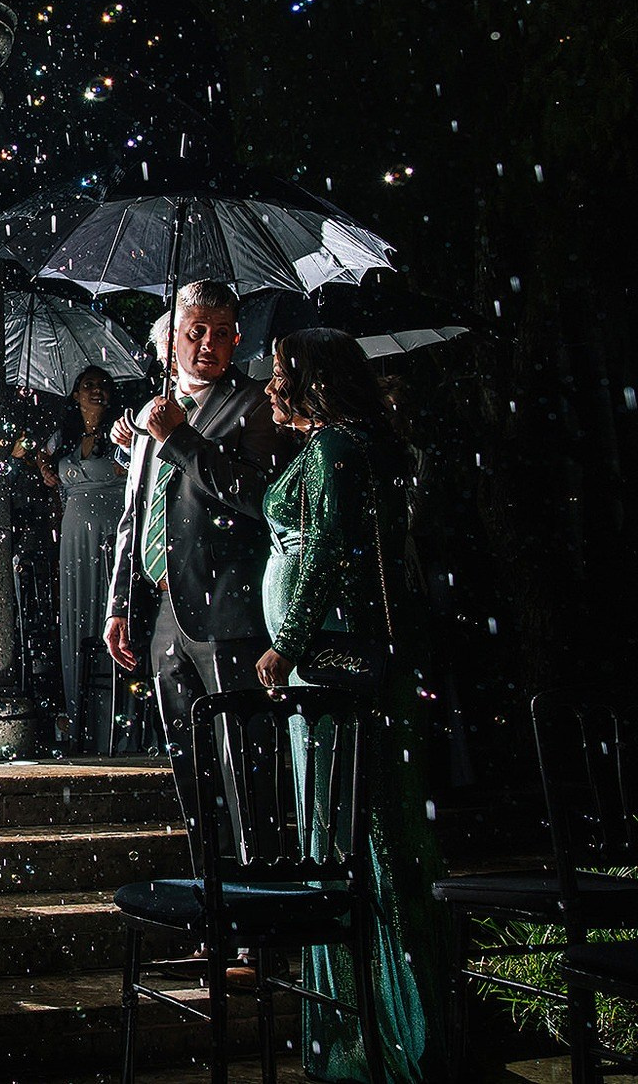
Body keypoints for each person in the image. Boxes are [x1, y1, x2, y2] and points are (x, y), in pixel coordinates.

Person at [256, 328, 452, 1082]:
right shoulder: (341, 444)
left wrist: (290, 643)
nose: (271, 386)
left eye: (281, 372)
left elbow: (333, 542)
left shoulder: (338, 448)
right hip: (336, 666)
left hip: (335, 665)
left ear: (315, 380)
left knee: (351, 833)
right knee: (345, 831)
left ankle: (377, 1037)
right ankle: (362, 1027)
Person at [104, 280, 300, 860]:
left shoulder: (256, 404)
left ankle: (256, 916)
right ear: (169, 345)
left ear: (238, 341)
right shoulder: (152, 413)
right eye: (196, 332)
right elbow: (133, 514)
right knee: (190, 766)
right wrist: (120, 603)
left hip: (230, 608)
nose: (209, 344)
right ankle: (212, 902)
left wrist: (181, 439)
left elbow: (260, 497)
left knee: (244, 764)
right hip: (166, 609)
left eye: (221, 334)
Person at [38, 367, 128, 750]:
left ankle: (117, 727)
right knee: (76, 620)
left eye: (103, 386)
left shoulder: (122, 433)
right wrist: (41, 464)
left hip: (111, 535)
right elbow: (17, 449)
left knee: (110, 617)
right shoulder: (64, 437)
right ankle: (81, 723)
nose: (96, 391)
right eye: (88, 385)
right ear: (74, 395)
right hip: (74, 538)